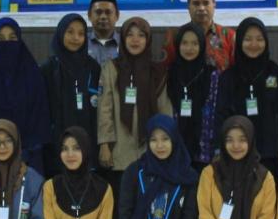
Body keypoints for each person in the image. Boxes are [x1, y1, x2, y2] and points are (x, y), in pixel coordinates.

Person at [214, 18, 278, 179]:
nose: (254, 44)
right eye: (248, 39)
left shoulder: (277, 73)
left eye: (259, 39)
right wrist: (219, 149)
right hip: (236, 152)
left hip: (271, 154)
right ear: (239, 42)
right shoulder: (228, 77)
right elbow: (221, 115)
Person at [0, 18, 51, 173]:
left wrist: (27, 151)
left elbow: (39, 116)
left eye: (12, 38)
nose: (7, 43)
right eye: (1, 39)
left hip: (28, 157)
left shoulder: (32, 74)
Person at [98, 17, 172, 175]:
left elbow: (165, 111)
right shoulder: (112, 68)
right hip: (119, 149)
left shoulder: (157, 72)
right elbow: (105, 109)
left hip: (152, 150)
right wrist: (104, 145)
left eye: (141, 35)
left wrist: (167, 144)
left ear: (148, 39)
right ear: (123, 39)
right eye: (130, 34)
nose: (135, 40)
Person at [40, 14, 101, 178]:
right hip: (56, 144)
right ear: (61, 33)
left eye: (81, 33)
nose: (76, 38)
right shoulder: (48, 69)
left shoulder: (93, 67)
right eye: (70, 32)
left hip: (87, 142)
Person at [167, 23, 219, 168]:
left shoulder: (212, 74)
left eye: (195, 43)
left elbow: (216, 111)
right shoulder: (170, 73)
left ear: (202, 45)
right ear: (178, 45)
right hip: (174, 148)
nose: (189, 48)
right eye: (184, 43)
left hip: (204, 149)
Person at [162, 0, 236, 72]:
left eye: (206, 3)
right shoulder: (174, 36)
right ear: (188, 6)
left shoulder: (229, 36)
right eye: (196, 3)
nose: (201, 8)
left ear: (214, 4)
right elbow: (167, 71)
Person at [87, 0, 121, 66]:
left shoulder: (126, 44)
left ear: (117, 15)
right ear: (89, 15)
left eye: (108, 12)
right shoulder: (80, 43)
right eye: (98, 12)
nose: (103, 17)